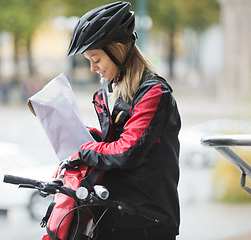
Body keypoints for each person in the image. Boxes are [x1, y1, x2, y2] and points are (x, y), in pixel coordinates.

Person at [59, 1, 181, 240]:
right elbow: (115, 140)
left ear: (118, 49)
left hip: (145, 223)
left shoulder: (153, 92)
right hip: (116, 217)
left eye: (96, 58)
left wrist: (84, 150)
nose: (93, 67)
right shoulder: (117, 93)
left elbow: (127, 150)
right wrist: (85, 136)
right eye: (89, 60)